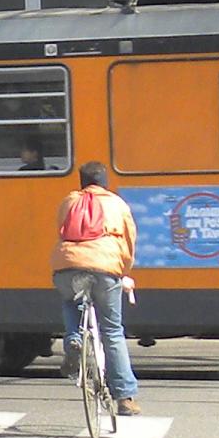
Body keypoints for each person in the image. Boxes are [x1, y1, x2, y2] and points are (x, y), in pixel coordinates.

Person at [50, 161, 141, 416]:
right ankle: (125, 398)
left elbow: (61, 232)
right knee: (112, 331)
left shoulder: (69, 201)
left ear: (82, 181)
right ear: (105, 181)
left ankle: (74, 339)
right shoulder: (117, 204)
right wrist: (124, 272)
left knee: (70, 300)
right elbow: (129, 240)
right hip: (105, 267)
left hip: (67, 265)